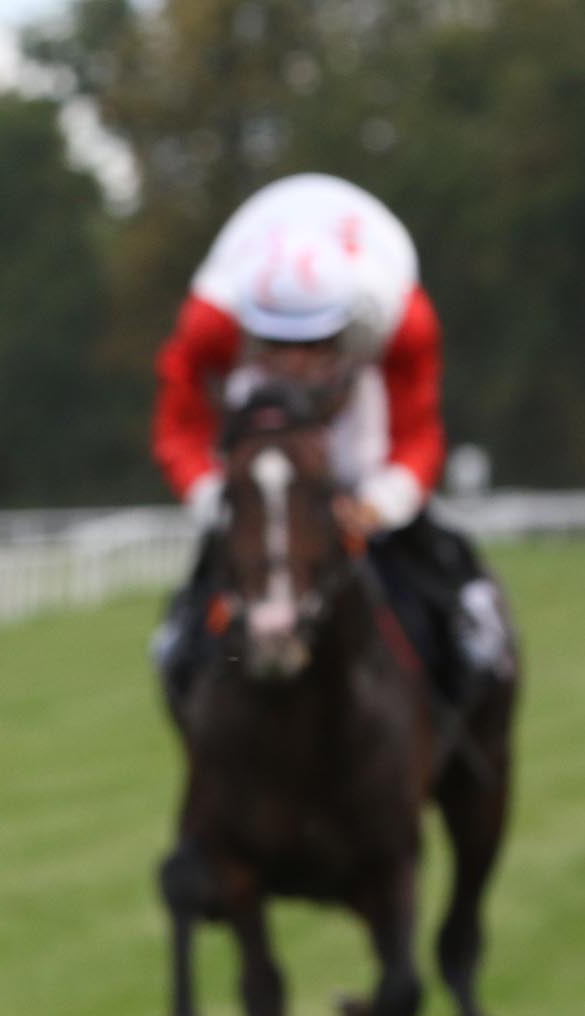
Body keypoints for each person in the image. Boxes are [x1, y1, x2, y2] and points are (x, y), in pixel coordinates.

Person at [149, 173, 511, 708]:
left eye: (315, 342)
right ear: (249, 328)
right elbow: (179, 428)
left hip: (361, 434)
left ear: (351, 329)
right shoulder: (210, 323)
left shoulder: (402, 321)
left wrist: (376, 505)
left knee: (439, 567)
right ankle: (179, 650)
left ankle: (470, 650)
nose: (294, 363)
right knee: (202, 601)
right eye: (276, 342)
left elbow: (419, 436)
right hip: (259, 453)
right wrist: (218, 500)